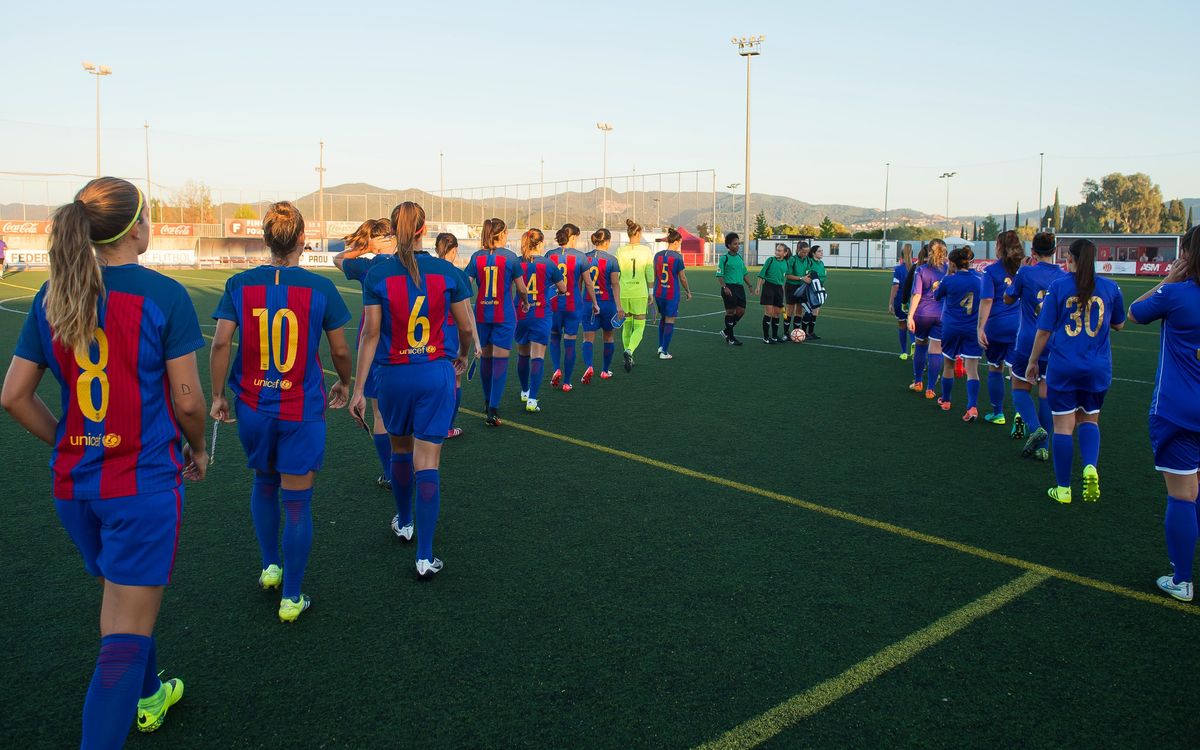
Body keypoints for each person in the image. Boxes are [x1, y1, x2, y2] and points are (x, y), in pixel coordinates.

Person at [1, 177, 208, 745]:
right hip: (140, 489)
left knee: (122, 605)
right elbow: (189, 401)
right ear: (136, 228)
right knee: (121, 641)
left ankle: (150, 693)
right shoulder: (163, 295)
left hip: (76, 490)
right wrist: (198, 448)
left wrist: (68, 442)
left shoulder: (54, 294)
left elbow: (13, 396)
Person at [209, 201, 353, 622]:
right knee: (297, 503)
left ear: (266, 238)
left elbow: (221, 343)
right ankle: (291, 597)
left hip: (253, 406)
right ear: (302, 239)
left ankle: (270, 566)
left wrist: (217, 395)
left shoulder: (239, 283)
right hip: (299, 410)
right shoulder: (320, 287)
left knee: (263, 480)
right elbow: (340, 350)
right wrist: (345, 382)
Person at [349, 202, 474, 579]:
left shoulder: (378, 273)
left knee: (400, 451)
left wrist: (358, 389)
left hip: (393, 375)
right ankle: (424, 556)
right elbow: (465, 327)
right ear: (424, 229)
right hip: (434, 373)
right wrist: (463, 355)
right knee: (428, 461)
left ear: (394, 230)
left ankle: (404, 522)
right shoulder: (448, 272)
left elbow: (370, 334)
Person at [1127, 227, 1200, 602]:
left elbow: (1135, 313)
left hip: (1178, 409)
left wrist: (1169, 278)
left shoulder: (1176, 293)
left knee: (1182, 496)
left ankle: (1182, 579)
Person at [1025, 239, 1125, 505]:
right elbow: (1120, 324)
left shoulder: (1058, 287)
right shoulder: (1110, 287)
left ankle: (1064, 489)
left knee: (1063, 427)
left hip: (1064, 366)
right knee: (1089, 420)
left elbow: (1044, 331)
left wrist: (1033, 361)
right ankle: (1090, 466)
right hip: (1097, 368)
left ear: (1070, 258)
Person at [334, 218, 397, 486]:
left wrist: (363, 248)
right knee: (407, 410)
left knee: (380, 412)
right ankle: (411, 467)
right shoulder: (410, 263)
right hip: (405, 340)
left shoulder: (367, 266)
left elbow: (338, 259)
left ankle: (391, 474)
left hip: (373, 339)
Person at [1004, 232, 1067, 461]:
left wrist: (1019, 272)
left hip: (1028, 340)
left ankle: (1035, 428)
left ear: (1033, 251)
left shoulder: (1026, 272)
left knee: (1019, 387)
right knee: (1045, 392)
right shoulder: (1063, 277)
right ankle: (1043, 448)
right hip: (1054, 342)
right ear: (1055, 251)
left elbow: (1008, 298)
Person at [466, 218, 529, 426]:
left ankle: (487, 402)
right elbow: (521, 288)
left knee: (486, 358)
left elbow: (466, 284)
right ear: (502, 234)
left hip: (482, 314)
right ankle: (492, 409)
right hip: (504, 315)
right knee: (500, 361)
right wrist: (525, 301)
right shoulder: (510, 257)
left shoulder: (477, 257)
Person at [514, 228, 566, 413]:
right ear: (541, 243)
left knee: (522, 354)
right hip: (540, 314)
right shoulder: (548, 263)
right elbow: (563, 288)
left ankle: (524, 391)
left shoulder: (517, 262)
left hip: (520, 312)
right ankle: (532, 400)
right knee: (538, 356)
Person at [976, 231, 1023, 427]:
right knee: (1017, 373)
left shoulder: (991, 271)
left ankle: (998, 413)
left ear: (1000, 247)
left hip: (996, 327)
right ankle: (1020, 414)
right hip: (1019, 327)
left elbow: (987, 300)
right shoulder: (1024, 270)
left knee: (995, 368)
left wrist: (980, 327)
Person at [434, 232, 479, 438]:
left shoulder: (427, 271)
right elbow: (467, 313)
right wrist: (477, 341)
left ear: (437, 249)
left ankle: (428, 424)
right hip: (452, 335)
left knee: (432, 380)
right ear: (454, 251)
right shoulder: (458, 275)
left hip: (430, 333)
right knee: (455, 382)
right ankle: (447, 427)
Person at [933, 246, 984, 421]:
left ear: (953, 263)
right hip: (972, 328)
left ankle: (946, 400)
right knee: (972, 370)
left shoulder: (949, 280)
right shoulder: (980, 279)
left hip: (951, 327)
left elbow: (936, 295)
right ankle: (972, 407)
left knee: (948, 365)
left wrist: (948, 275)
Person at [547, 223, 599, 389]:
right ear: (573, 237)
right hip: (573, 304)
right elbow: (588, 283)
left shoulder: (550, 255)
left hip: (554, 304)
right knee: (570, 341)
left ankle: (556, 369)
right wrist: (595, 303)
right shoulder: (580, 257)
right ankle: (567, 382)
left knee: (554, 337)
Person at [906, 239, 948, 399]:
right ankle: (930, 389)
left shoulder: (921, 269)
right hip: (941, 314)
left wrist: (910, 316)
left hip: (922, 313)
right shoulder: (949, 270)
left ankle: (918, 382)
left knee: (920, 345)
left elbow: (916, 294)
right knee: (936, 350)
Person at [581, 228, 624, 379]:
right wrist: (619, 306)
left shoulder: (585, 257)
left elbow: (581, 282)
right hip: (607, 303)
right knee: (609, 337)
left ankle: (589, 366)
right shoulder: (611, 260)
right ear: (607, 242)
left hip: (589, 302)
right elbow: (615, 284)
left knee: (587, 338)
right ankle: (605, 371)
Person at [616, 218, 654, 371]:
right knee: (639, 327)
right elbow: (649, 272)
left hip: (624, 293)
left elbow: (617, 274)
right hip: (639, 293)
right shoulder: (645, 251)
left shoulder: (620, 251)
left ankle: (628, 355)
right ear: (638, 234)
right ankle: (629, 351)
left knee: (627, 325)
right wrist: (651, 292)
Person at [652, 228, 692, 358]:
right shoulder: (677, 257)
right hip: (671, 293)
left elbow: (654, 275)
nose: (680, 245)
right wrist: (688, 291)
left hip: (659, 292)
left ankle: (660, 346)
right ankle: (664, 351)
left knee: (663, 318)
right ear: (676, 242)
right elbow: (683, 278)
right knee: (670, 320)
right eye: (680, 242)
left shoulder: (657, 255)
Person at [716, 232, 750, 345]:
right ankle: (730, 338)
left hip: (739, 288)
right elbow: (719, 274)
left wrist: (750, 285)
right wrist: (724, 287)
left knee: (741, 311)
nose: (737, 246)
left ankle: (726, 331)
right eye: (735, 244)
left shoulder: (739, 258)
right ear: (728, 245)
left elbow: (744, 273)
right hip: (729, 287)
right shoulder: (724, 258)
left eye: (738, 243)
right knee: (730, 312)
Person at [754, 243, 789, 344]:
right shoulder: (770, 260)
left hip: (779, 289)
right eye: (776, 250)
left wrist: (782, 293)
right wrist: (758, 287)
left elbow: (783, 279)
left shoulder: (786, 263)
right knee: (769, 312)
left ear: (785, 253)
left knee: (777, 313)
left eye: (779, 251)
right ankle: (766, 337)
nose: (777, 252)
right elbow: (762, 274)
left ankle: (774, 336)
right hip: (768, 287)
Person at [888, 244, 914, 359]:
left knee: (902, 324)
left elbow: (895, 286)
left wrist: (890, 302)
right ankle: (914, 342)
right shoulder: (917, 268)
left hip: (900, 300)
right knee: (912, 324)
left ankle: (904, 352)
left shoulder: (898, 269)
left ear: (901, 256)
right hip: (913, 300)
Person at [785, 241, 813, 340]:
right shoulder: (792, 259)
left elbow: (809, 272)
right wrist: (801, 278)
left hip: (802, 287)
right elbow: (787, 275)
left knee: (799, 310)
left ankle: (795, 332)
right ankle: (786, 333)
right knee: (789, 310)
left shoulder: (808, 260)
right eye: (803, 252)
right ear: (798, 250)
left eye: (807, 252)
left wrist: (809, 277)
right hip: (791, 287)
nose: (805, 254)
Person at [801, 245, 828, 339]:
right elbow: (807, 274)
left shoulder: (821, 263)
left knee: (816, 311)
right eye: (819, 251)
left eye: (822, 251)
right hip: (810, 289)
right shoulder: (810, 262)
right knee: (808, 311)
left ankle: (811, 332)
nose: (821, 253)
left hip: (819, 289)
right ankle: (803, 333)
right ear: (813, 253)